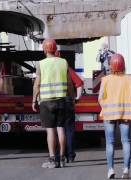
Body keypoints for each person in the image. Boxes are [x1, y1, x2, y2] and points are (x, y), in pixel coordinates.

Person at [32, 39, 73, 168]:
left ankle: (52, 159)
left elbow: (37, 84)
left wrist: (34, 99)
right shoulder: (63, 62)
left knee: (50, 131)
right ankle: (61, 159)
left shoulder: (41, 64)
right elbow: (69, 83)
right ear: (55, 49)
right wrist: (71, 98)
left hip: (46, 102)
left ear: (44, 49)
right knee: (61, 129)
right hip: (62, 100)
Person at [98, 54, 131, 179]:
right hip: (125, 113)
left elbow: (100, 98)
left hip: (109, 114)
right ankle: (126, 169)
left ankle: (110, 170)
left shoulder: (106, 79)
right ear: (123, 65)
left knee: (110, 143)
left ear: (111, 66)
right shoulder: (130, 79)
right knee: (126, 141)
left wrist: (105, 107)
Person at [55, 51, 84, 163]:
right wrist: (77, 97)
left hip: (53, 102)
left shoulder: (47, 68)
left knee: (57, 129)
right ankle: (70, 155)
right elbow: (79, 83)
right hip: (67, 102)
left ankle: (58, 155)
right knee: (69, 129)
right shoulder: (66, 68)